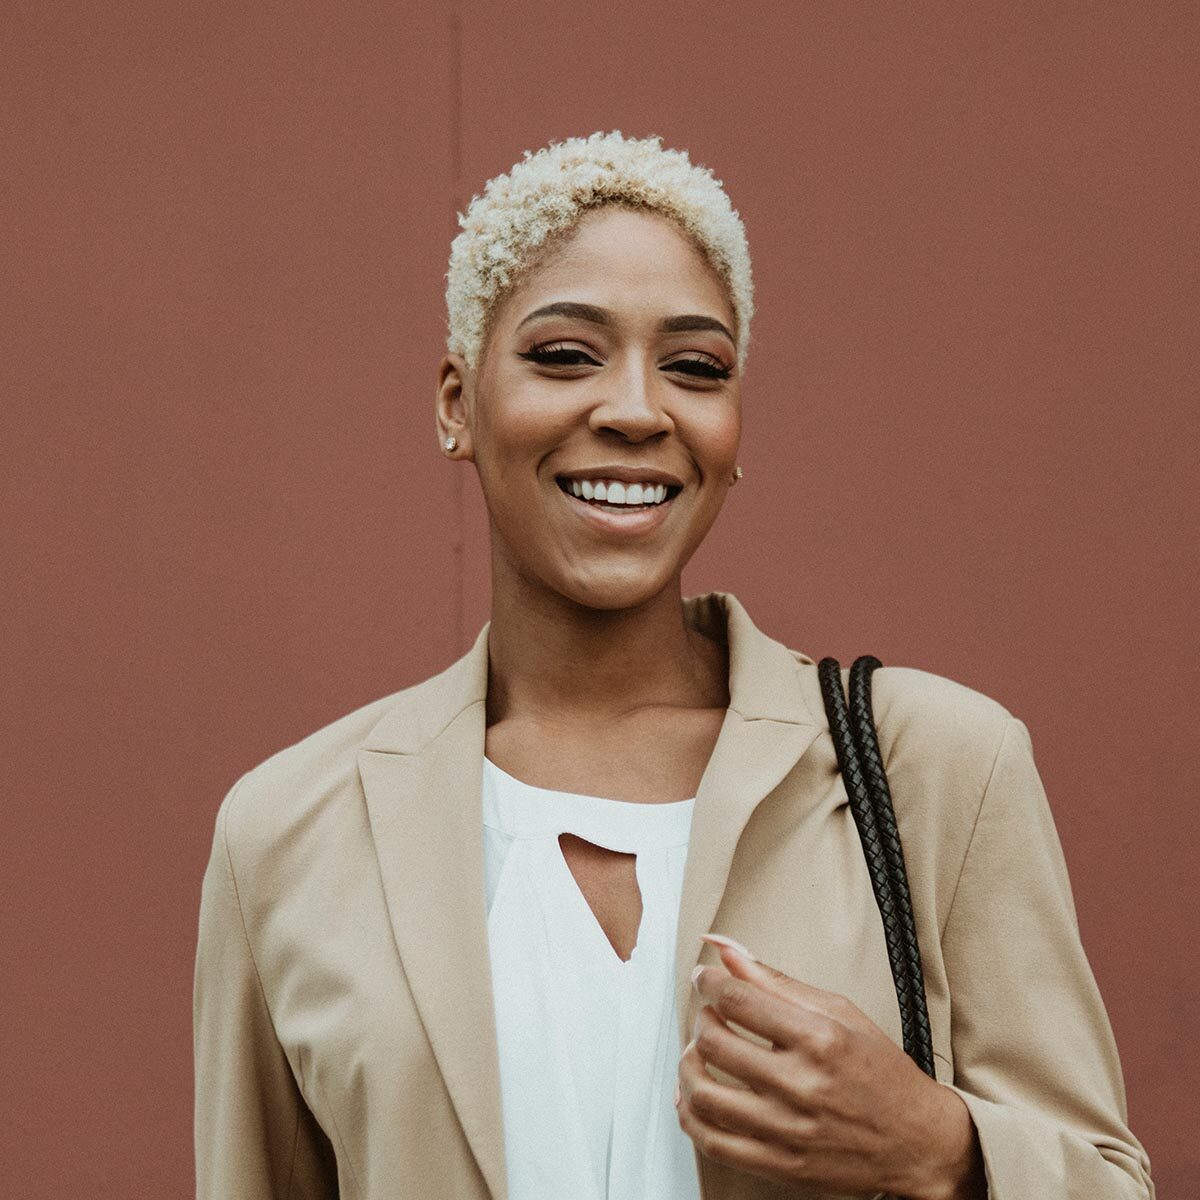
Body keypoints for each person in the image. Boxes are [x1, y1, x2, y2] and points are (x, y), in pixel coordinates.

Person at [193, 130, 1155, 1200]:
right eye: (565, 355)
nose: (638, 410)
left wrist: (940, 1148)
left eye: (695, 368)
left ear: (733, 433)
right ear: (457, 404)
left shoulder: (937, 768)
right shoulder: (288, 832)